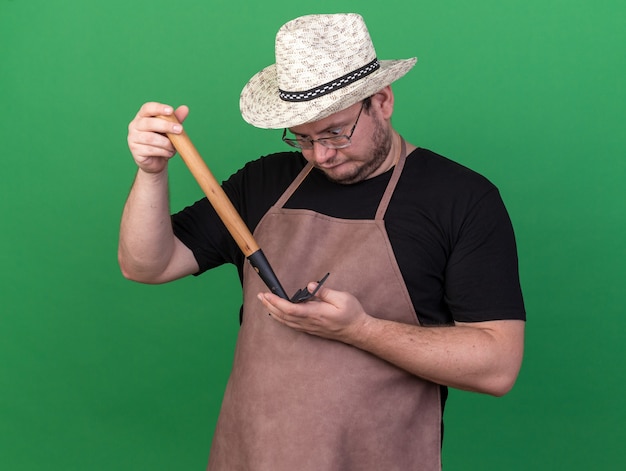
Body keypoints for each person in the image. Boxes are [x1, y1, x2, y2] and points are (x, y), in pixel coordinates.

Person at [119, 13, 525, 471]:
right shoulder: (264, 182)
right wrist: (151, 175)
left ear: (382, 101)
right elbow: (146, 265)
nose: (322, 155)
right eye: (303, 139)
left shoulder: (461, 199)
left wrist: (360, 329)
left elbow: (497, 364)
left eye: (336, 132)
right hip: (253, 456)